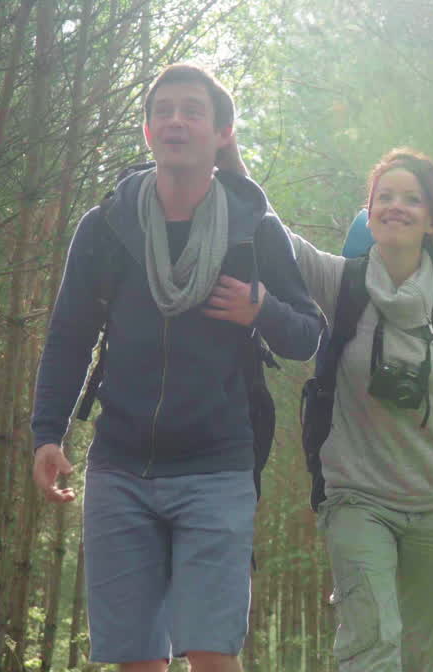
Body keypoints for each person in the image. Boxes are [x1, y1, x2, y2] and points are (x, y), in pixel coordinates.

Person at [29, 63, 323, 672]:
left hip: (217, 465)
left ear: (222, 134)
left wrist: (258, 308)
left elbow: (307, 336)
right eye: (163, 110)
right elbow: (68, 336)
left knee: (212, 654)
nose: (176, 121)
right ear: (146, 131)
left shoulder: (254, 230)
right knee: (136, 658)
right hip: (119, 465)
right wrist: (47, 434)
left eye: (192, 110)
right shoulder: (107, 226)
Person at [287, 148, 433, 671]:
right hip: (357, 498)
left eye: (412, 199)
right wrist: (222, 154)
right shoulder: (341, 281)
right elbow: (273, 238)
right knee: (372, 643)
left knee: (428, 656)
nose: (396, 207)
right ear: (368, 211)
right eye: (384, 197)